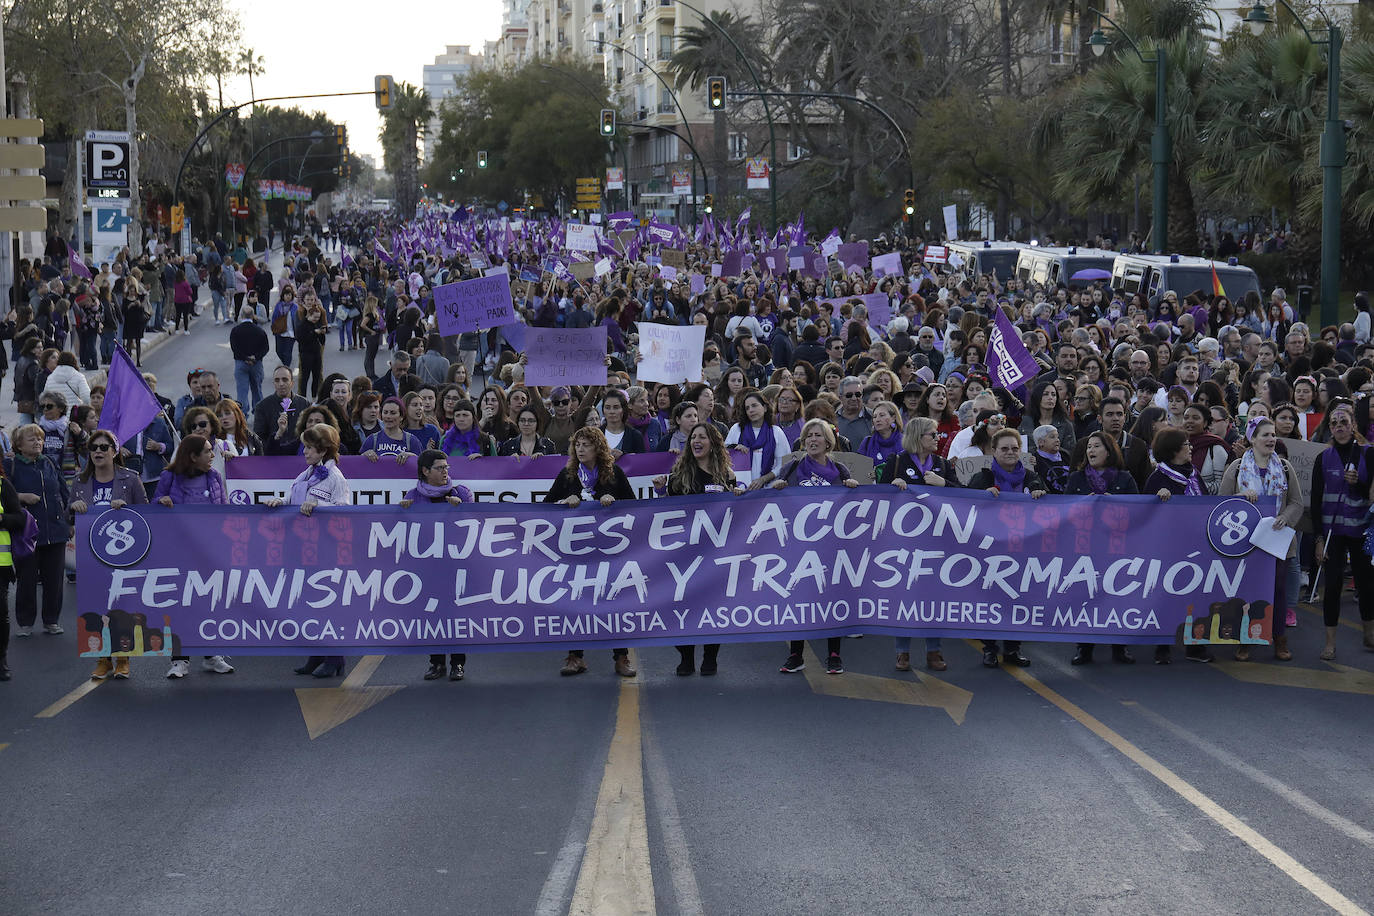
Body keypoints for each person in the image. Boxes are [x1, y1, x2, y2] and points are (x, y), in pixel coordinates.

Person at [543, 427, 637, 678]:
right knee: (576, 603)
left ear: (598, 448)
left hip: (609, 551)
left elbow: (634, 506)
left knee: (614, 602)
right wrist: (564, 503)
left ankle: (621, 657)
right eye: (577, 445)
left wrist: (614, 502)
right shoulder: (568, 475)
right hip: (577, 553)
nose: (580, 449)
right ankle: (576, 657)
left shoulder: (614, 474)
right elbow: (546, 507)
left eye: (586, 444)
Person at [771, 418, 858, 674]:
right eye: (808, 435)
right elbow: (776, 505)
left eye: (818, 435)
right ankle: (795, 655)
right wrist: (777, 488)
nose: (812, 439)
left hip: (831, 546)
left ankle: (834, 655)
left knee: (832, 598)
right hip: (799, 546)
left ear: (828, 441)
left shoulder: (840, 470)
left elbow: (852, 510)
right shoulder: (791, 468)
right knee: (800, 598)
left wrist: (852, 488)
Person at [652, 423, 740, 675]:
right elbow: (667, 511)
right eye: (693, 437)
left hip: (715, 552)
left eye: (702, 437)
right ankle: (686, 657)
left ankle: (710, 657)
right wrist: (660, 490)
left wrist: (738, 495)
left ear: (713, 443)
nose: (696, 441)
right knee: (683, 605)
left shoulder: (727, 474)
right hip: (685, 552)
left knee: (713, 605)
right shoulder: (679, 474)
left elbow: (734, 513)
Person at [265, 424, 352, 677]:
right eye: (305, 447)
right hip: (303, 547)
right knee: (309, 603)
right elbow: (293, 498)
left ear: (323, 450)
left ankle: (335, 657)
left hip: (325, 549)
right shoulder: (306, 473)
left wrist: (318, 505)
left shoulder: (335, 477)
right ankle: (317, 654)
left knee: (327, 604)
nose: (304, 451)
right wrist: (279, 501)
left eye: (310, 447)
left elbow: (344, 509)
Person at [1220, 417, 1301, 662]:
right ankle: (1245, 639)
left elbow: (1296, 502)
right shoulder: (1237, 468)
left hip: (1277, 542)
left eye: (1273, 434)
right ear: (1252, 439)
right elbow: (1222, 503)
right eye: (1265, 435)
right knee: (1247, 591)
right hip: (1245, 543)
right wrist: (1241, 497)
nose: (1271, 439)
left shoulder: (1284, 467)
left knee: (1277, 591)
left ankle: (1279, 638)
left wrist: (1285, 517)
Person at [153, 434, 235, 678]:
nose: (212, 455)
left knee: (210, 603)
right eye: (208, 451)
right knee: (182, 605)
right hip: (179, 553)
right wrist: (161, 501)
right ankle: (180, 660)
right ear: (193, 456)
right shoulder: (169, 477)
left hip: (209, 553)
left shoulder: (214, 477)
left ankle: (212, 656)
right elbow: (154, 505)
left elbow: (225, 511)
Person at [71, 429, 150, 679]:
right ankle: (103, 659)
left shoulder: (130, 478)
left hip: (124, 556)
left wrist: (126, 509)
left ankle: (123, 658)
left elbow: (146, 516)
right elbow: (68, 517)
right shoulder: (80, 481)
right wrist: (73, 507)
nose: (98, 451)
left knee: (121, 607)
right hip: (91, 555)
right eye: (93, 447)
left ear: (115, 452)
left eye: (104, 447)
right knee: (97, 607)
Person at [879, 416, 955, 672]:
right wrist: (893, 486)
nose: (937, 438)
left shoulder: (942, 464)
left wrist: (944, 484)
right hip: (904, 542)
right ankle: (902, 651)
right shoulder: (896, 461)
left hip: (936, 540)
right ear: (918, 436)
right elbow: (878, 497)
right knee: (905, 596)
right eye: (932, 434)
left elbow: (962, 494)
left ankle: (934, 650)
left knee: (934, 597)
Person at [1063, 431, 1140, 665]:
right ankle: (1084, 647)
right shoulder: (1076, 478)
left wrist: (1116, 506)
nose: (1091, 450)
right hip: (1084, 547)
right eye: (1089, 447)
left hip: (1116, 548)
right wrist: (1082, 505)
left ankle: (1120, 646)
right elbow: (1064, 511)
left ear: (1109, 451)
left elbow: (1138, 513)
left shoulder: (1125, 479)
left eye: (1096, 446)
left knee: (1116, 595)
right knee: (1085, 596)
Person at [398, 449, 474, 680]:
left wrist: (461, 508)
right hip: (428, 566)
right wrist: (403, 512)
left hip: (455, 564)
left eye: (446, 467)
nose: (445, 472)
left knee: (456, 614)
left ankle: (458, 663)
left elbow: (475, 522)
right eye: (439, 468)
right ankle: (436, 663)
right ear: (425, 471)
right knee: (431, 613)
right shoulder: (413, 495)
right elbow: (405, 531)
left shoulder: (461, 493)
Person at [1308, 403, 1374, 660]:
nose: (1339, 427)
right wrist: (1318, 539)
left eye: (1344, 422)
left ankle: (1369, 633)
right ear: (1329, 429)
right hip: (1332, 532)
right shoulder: (1323, 458)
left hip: (1361, 530)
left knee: (1367, 585)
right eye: (1334, 423)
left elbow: (1371, 495)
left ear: (1353, 425)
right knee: (1333, 585)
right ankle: (1330, 642)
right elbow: (1314, 501)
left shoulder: (1368, 454)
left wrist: (1359, 484)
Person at [1144, 427, 1208, 663]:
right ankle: (1162, 646)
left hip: (1196, 545)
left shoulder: (1193, 475)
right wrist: (1157, 498)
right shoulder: (1158, 478)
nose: (1190, 448)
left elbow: (1207, 503)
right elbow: (1145, 513)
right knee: (1165, 597)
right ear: (1173, 450)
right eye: (1186, 445)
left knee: (1196, 597)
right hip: (1168, 548)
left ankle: (1194, 645)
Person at [5, 424, 70, 638]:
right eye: (32, 439)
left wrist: (69, 521)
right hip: (27, 533)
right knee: (27, 579)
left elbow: (64, 492)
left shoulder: (49, 462)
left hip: (56, 531)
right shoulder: (11, 465)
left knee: (54, 581)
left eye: (40, 439)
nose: (38, 442)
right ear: (19, 445)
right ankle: (25, 622)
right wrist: (21, 497)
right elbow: (3, 496)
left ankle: (51, 621)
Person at [724, 388, 790, 490]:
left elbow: (783, 464)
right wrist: (734, 448)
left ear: (765, 408)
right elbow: (724, 457)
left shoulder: (776, 432)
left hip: (769, 490)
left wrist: (762, 479)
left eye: (754, 405)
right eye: (747, 408)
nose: (751, 410)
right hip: (740, 490)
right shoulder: (736, 429)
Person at [0, 458, 27, 681]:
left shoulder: (3, 485)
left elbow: (19, 519)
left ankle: (1, 660)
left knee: (0, 614)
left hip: (0, 564)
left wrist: (2, 519)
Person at [229, 305, 269, 408]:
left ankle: (242, 413)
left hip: (241, 363)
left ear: (241, 316)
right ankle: (258, 411)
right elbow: (265, 348)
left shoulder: (235, 330)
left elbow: (235, 348)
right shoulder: (259, 331)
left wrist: (245, 358)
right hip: (256, 364)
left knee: (242, 391)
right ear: (252, 316)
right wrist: (255, 357)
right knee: (257, 390)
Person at [362, 397, 422, 463]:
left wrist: (412, 457)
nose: (388, 416)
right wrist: (364, 455)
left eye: (393, 413)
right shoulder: (372, 440)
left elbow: (421, 465)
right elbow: (358, 465)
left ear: (401, 417)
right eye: (385, 412)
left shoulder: (412, 441)